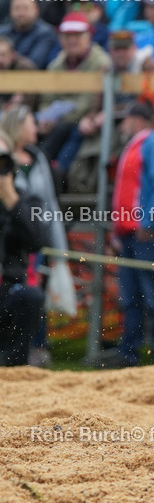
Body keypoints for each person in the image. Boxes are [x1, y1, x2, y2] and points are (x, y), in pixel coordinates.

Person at [111, 101, 154, 367]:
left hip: (148, 234)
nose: (122, 126)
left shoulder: (153, 142)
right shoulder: (143, 143)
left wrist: (149, 223)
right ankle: (131, 353)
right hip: (134, 233)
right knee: (133, 297)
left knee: (153, 296)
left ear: (137, 120)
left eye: (125, 120)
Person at [0, 129, 48, 367]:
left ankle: (14, 368)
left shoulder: (26, 200)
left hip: (8, 291)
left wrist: (9, 198)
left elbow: (37, 240)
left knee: (30, 296)